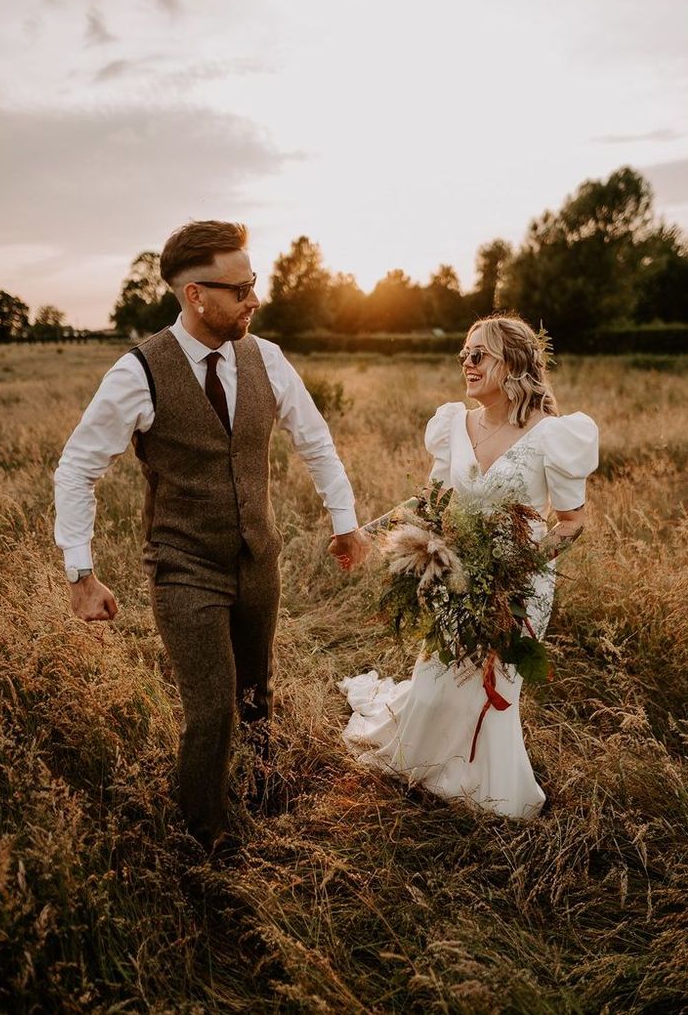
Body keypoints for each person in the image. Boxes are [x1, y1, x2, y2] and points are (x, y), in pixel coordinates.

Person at [54, 219, 368, 850]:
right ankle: (205, 845)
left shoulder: (267, 359)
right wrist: (81, 574)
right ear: (196, 295)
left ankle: (262, 797)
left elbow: (316, 441)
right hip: (183, 567)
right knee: (212, 709)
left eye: (256, 283)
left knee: (255, 694)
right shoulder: (137, 372)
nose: (255, 298)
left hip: (260, 560)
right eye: (242, 287)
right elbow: (77, 468)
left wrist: (345, 521)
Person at [339, 314, 598, 819]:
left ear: (514, 363)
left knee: (492, 690)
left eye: (478, 355)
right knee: (437, 686)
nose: (467, 364)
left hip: (519, 586)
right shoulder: (453, 424)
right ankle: (423, 761)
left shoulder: (554, 436)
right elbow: (431, 500)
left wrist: (519, 568)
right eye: (464, 354)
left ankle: (486, 789)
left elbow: (571, 522)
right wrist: (366, 533)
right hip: (457, 576)